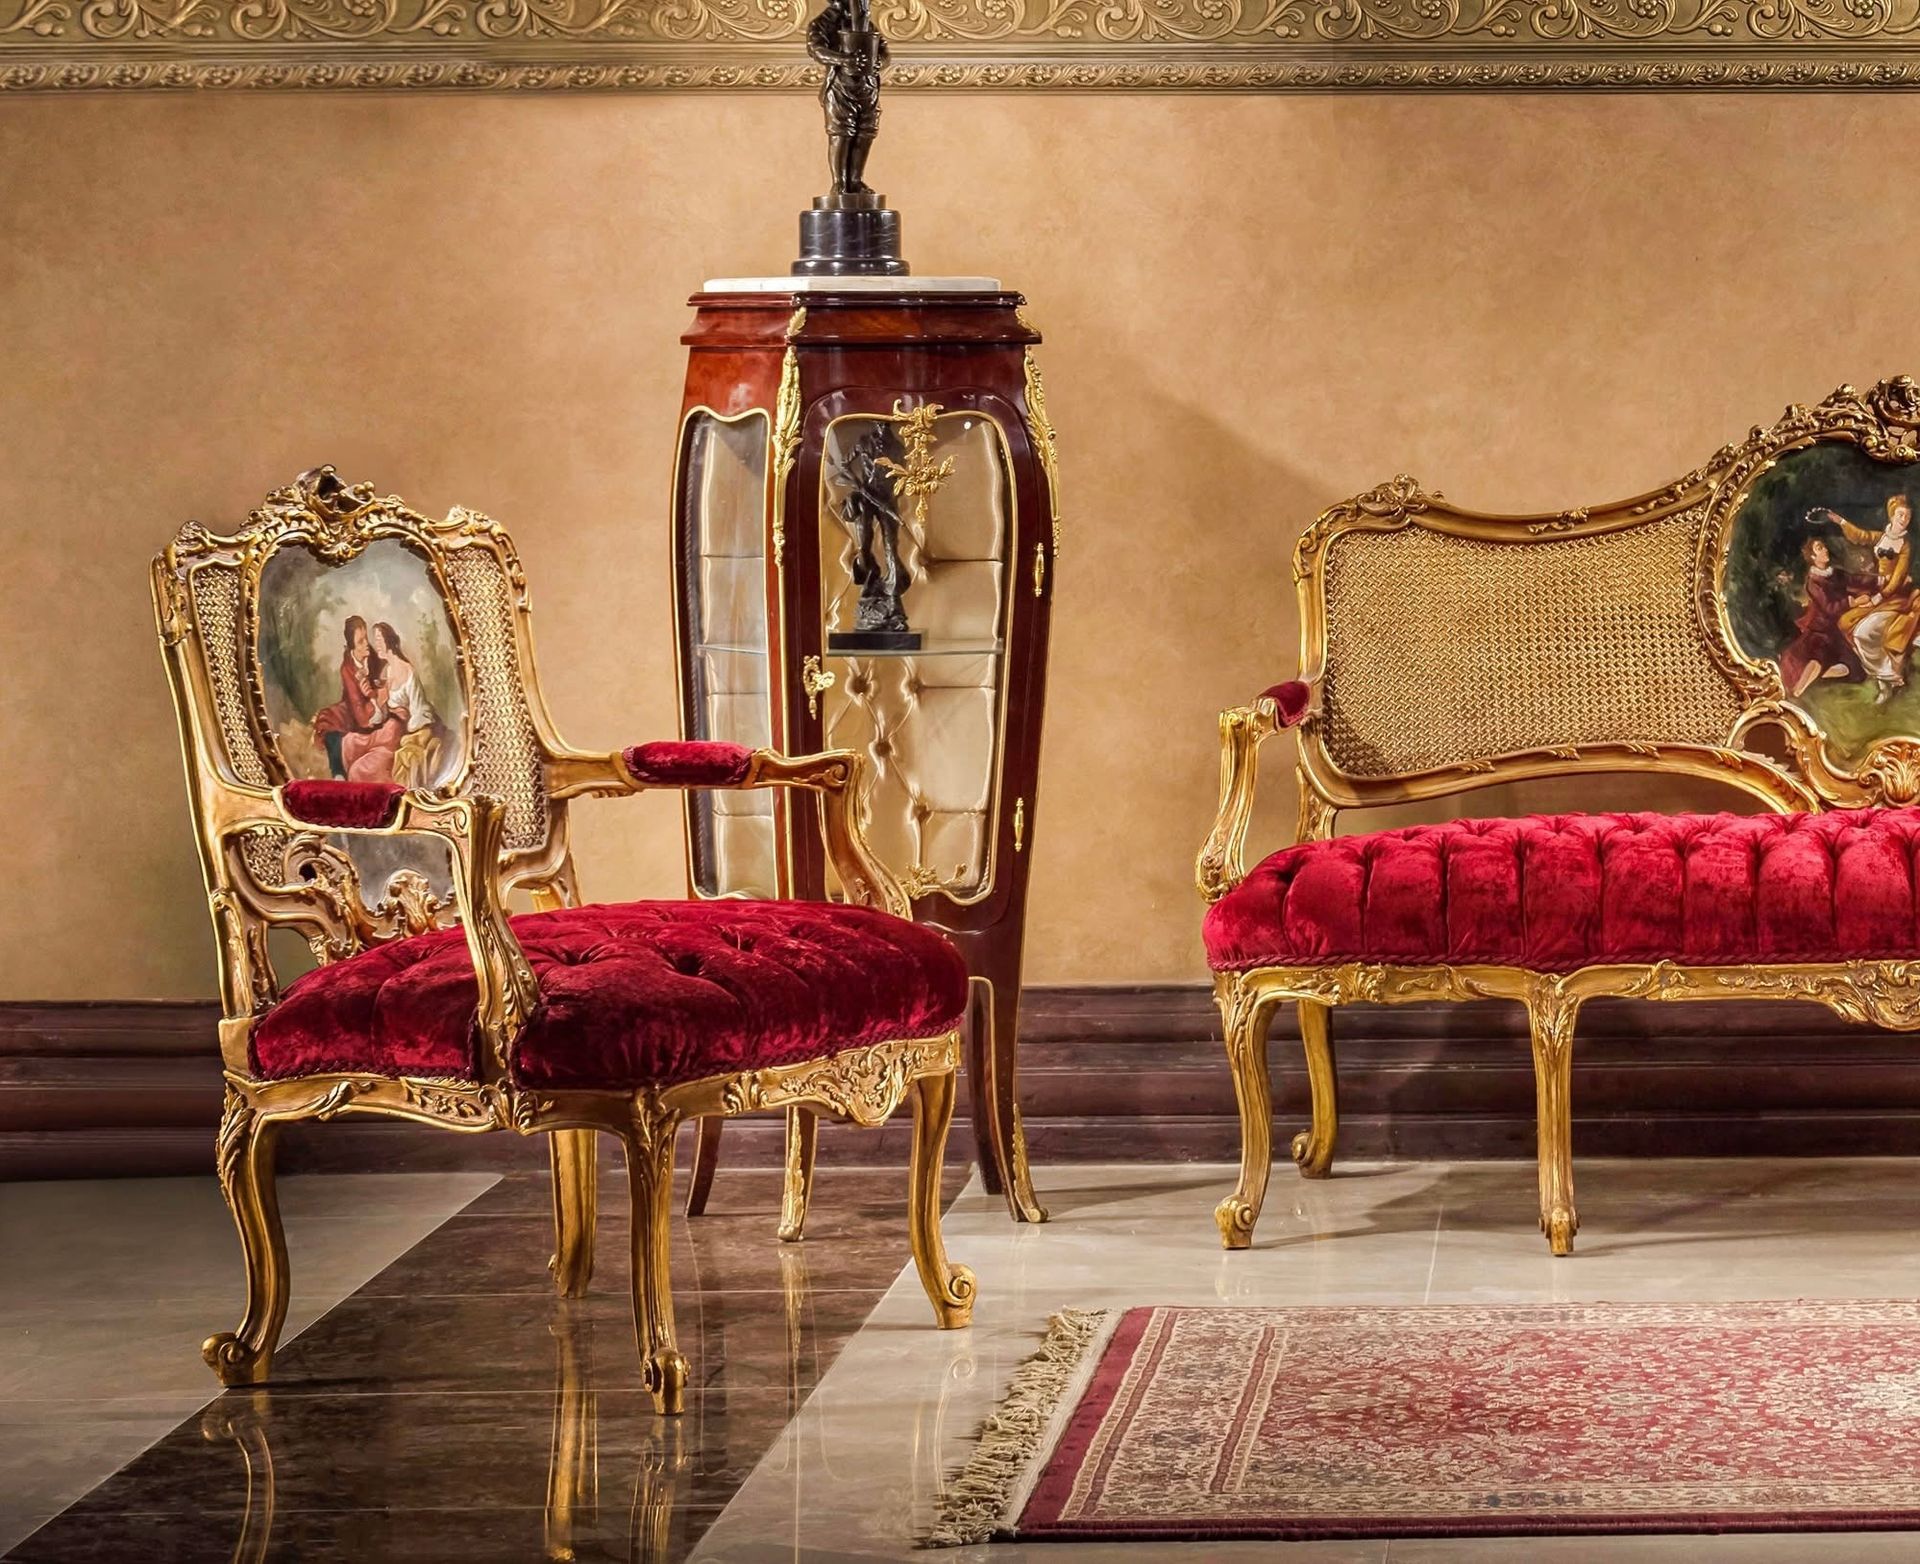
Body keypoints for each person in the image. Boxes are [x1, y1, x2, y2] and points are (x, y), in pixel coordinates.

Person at [1820, 496, 1920, 704]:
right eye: (1901, 514)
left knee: (1866, 632)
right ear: (1892, 515)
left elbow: (1898, 578)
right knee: (1848, 625)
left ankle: (1888, 679)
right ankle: (1886, 679)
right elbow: (1861, 536)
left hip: (1895, 597)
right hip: (1878, 594)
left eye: (1908, 516)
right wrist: (1841, 522)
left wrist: (1877, 598)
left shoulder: (1905, 545)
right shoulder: (1882, 537)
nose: (1904, 519)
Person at [340, 622, 445, 786]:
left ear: (388, 641)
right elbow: (383, 707)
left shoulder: (408, 671)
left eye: (379, 640)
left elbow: (419, 708)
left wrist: (410, 729)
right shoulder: (388, 670)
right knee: (349, 743)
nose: (376, 645)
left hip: (397, 730)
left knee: (358, 769)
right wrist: (372, 697)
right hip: (387, 726)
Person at [1776, 536, 1864, 698]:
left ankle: (1819, 675)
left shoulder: (1835, 573)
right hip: (1820, 630)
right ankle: (1799, 690)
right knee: (1819, 657)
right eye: (1819, 548)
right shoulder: (1813, 582)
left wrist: (1881, 580)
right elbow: (1829, 608)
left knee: (1855, 670)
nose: (1825, 550)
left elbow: (1856, 579)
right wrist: (1852, 602)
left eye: (1824, 547)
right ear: (1812, 557)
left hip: (1835, 631)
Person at [311, 615, 376, 779]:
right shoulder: (347, 667)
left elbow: (384, 681)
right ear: (352, 646)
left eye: (366, 638)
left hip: (372, 706)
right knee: (329, 725)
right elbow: (354, 702)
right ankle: (338, 772)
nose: (366, 644)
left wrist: (372, 693)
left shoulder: (374, 658)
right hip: (352, 710)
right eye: (360, 641)